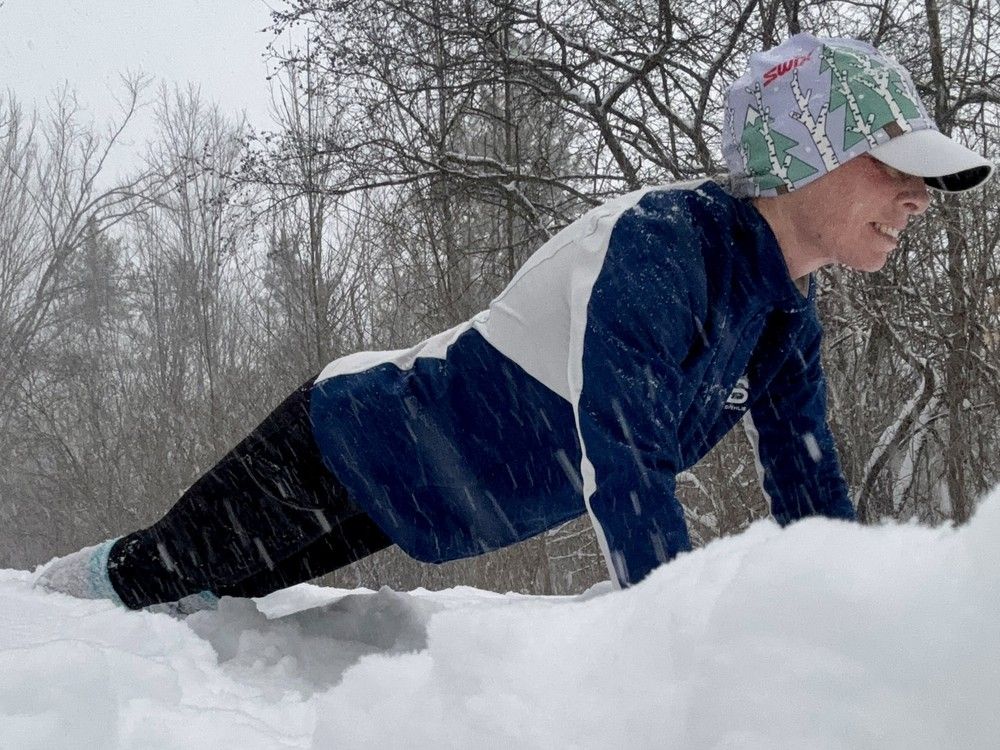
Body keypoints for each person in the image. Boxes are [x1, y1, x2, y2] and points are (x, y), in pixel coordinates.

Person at [35, 33, 993, 612]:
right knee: (142, 582)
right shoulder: (663, 244)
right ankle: (35, 625)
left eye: (925, 179)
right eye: (893, 165)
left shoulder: (787, 315)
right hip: (344, 441)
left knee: (214, 605)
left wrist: (856, 620)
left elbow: (810, 490)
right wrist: (688, 652)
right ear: (802, 155)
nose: (917, 197)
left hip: (424, 504)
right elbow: (623, 459)